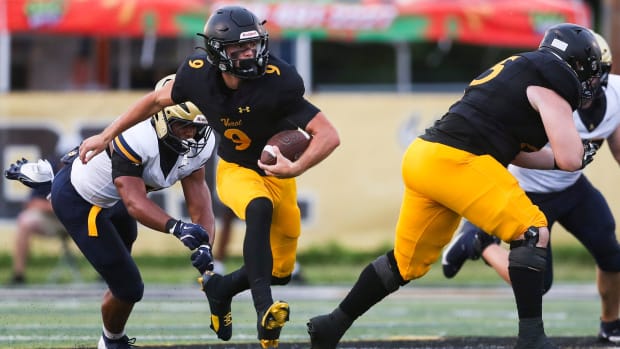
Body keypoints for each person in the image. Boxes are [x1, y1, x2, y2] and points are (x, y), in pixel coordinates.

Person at [306, 23, 602, 349]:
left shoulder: (519, 69)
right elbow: (571, 158)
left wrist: (563, 158)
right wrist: (579, 152)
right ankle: (531, 338)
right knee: (533, 230)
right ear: (574, 64)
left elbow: (518, 152)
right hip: (458, 160)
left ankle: (332, 324)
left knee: (406, 264)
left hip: (424, 158)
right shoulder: (552, 78)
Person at [76, 6, 340, 348]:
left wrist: (297, 167)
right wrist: (105, 135)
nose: (249, 54)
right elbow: (155, 100)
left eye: (253, 46)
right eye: (238, 49)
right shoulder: (198, 75)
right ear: (217, 52)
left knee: (281, 270)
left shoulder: (279, 78)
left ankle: (221, 290)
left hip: (278, 172)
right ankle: (264, 311)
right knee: (258, 208)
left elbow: (328, 134)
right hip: (236, 169)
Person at [441, 31, 620, 344]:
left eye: (587, 73)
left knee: (612, 254)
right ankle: (480, 243)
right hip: (530, 190)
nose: (581, 80)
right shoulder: (545, 95)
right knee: (537, 283)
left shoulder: (615, 95)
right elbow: (508, 146)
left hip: (573, 188)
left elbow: (616, 143)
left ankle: (611, 323)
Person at [49, 84, 217, 349]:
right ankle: (111, 342)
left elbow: (199, 196)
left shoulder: (201, 143)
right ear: (160, 117)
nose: (191, 134)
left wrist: (206, 243)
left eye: (197, 127)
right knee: (128, 287)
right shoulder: (136, 136)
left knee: (121, 278)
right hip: (81, 202)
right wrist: (176, 227)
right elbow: (135, 202)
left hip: (112, 199)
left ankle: (45, 179)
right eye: (182, 125)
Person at [4, 159, 61, 285]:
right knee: (24, 220)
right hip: (54, 220)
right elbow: (31, 203)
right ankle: (18, 275)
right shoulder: (49, 168)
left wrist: (57, 204)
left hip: (80, 219)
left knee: (101, 218)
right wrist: (57, 205)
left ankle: (106, 271)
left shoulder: (85, 170)